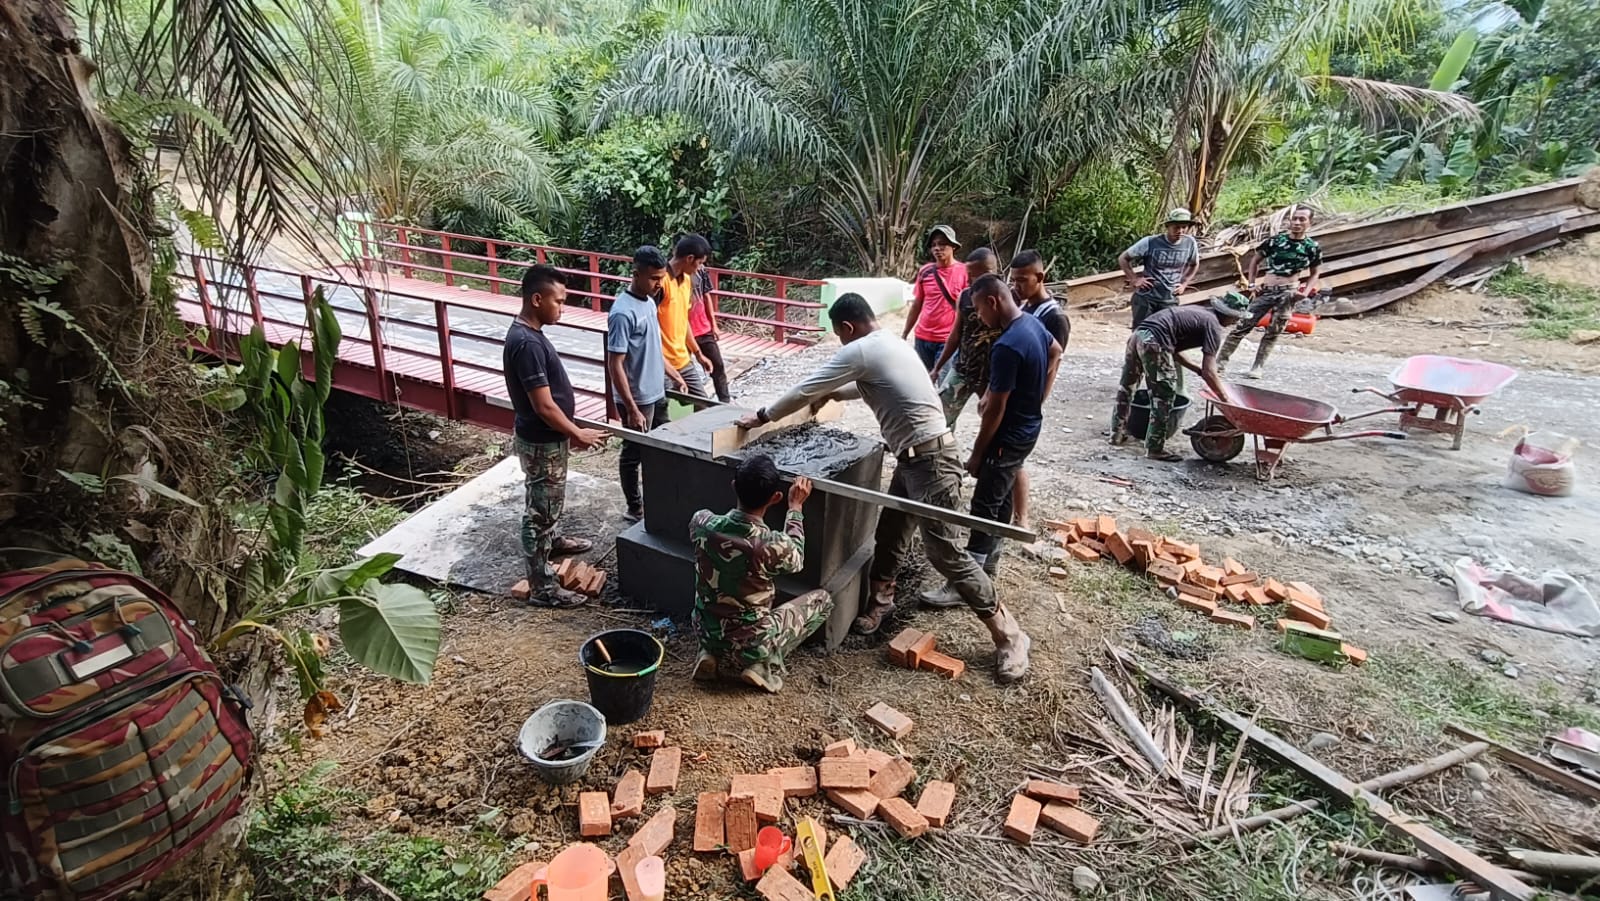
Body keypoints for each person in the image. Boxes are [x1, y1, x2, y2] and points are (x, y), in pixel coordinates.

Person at [736, 293, 1032, 683]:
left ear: (846, 328)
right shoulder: (892, 343)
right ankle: (881, 602)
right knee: (891, 532)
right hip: (913, 457)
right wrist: (836, 394)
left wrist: (761, 416)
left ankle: (1009, 635)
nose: (844, 344)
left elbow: (806, 388)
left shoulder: (862, 349)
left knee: (944, 553)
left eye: (841, 336)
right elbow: (872, 386)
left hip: (933, 461)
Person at [921, 275, 1059, 608]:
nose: (979, 318)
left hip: (1006, 436)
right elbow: (1056, 351)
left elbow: (994, 409)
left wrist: (977, 454)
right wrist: (1035, 399)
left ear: (992, 302)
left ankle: (965, 586)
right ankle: (989, 566)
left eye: (979, 310)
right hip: (1028, 428)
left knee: (983, 506)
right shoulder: (1032, 324)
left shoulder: (1007, 345)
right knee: (1000, 497)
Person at [503, 265, 608, 607]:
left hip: (546, 439)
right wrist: (577, 432)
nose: (561, 308)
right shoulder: (526, 344)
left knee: (546, 500)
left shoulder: (531, 335)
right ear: (536, 299)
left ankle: (553, 539)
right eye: (558, 301)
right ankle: (543, 588)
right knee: (539, 511)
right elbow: (544, 406)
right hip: (541, 441)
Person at [689, 456, 832, 693]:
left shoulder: (701, 523)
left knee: (714, 610)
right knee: (823, 600)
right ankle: (760, 664)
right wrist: (795, 509)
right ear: (776, 498)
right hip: (752, 639)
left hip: (706, 628)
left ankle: (709, 652)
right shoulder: (771, 546)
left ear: (734, 486)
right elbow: (796, 559)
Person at [1111, 296, 1248, 462]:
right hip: (1154, 342)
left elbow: (1174, 351)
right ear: (1228, 314)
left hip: (1138, 335)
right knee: (1164, 395)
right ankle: (1154, 448)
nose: (1236, 322)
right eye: (1237, 318)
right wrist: (1226, 399)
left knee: (1127, 387)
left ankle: (1116, 434)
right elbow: (1210, 371)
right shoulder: (1213, 326)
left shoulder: (1199, 313)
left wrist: (1196, 369)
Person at [1003, 249, 1069, 533]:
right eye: (1013, 281)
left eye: (1021, 281)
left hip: (1026, 402)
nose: (1016, 287)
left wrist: (1037, 402)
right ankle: (1006, 512)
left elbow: (1054, 363)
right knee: (1007, 458)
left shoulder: (1055, 318)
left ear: (1040, 278)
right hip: (1013, 394)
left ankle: (1021, 518)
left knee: (1016, 461)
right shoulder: (1026, 307)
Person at [608, 246, 672, 522]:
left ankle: (659, 497)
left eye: (662, 278)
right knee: (634, 453)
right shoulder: (622, 313)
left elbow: (651, 347)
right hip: (638, 398)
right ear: (637, 274)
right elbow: (615, 363)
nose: (660, 284)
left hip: (656, 392)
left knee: (662, 446)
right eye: (655, 278)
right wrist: (632, 408)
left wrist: (672, 373)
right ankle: (634, 507)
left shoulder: (648, 301)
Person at [1220, 207, 1322, 378]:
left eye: (1302, 219)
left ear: (1309, 223)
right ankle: (1219, 364)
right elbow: (1255, 261)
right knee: (1241, 326)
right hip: (1266, 291)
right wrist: (1252, 284)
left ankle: (1257, 367)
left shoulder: (1311, 247)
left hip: (1288, 293)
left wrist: (1305, 291)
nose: (1297, 223)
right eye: (1294, 219)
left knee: (1273, 331)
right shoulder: (1275, 241)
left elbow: (1315, 273)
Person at [929, 247, 1002, 428]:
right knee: (939, 420)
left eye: (974, 276)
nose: (968, 280)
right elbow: (955, 336)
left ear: (990, 273)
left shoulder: (1008, 299)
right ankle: (943, 454)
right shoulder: (965, 296)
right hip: (963, 369)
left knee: (996, 422)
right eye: (967, 274)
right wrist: (937, 368)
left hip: (992, 375)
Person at [901, 225, 970, 373]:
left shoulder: (964, 272)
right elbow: (917, 304)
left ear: (953, 247)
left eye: (942, 244)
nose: (937, 248)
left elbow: (969, 307)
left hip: (947, 340)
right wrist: (905, 333)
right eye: (934, 245)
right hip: (922, 338)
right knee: (922, 383)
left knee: (942, 387)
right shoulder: (925, 271)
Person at [1119, 208, 1201, 328]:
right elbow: (1123, 258)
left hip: (1169, 297)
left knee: (1165, 332)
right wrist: (1135, 279)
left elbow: (1194, 264)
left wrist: (1184, 283)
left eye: (1184, 227)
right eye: (1176, 227)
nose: (1180, 231)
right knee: (1142, 333)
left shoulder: (1190, 243)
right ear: (1168, 226)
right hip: (1147, 296)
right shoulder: (1150, 242)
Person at [659, 234, 717, 398]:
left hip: (683, 359)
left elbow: (683, 321)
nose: (700, 268)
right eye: (699, 263)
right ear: (689, 258)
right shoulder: (660, 282)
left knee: (703, 405)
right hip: (662, 362)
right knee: (666, 410)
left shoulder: (686, 280)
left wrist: (698, 354)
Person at [688, 263, 731, 402]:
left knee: (717, 366)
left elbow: (706, 296)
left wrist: (714, 324)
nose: (700, 264)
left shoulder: (701, 271)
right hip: (682, 332)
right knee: (687, 373)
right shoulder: (673, 277)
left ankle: (725, 402)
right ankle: (697, 406)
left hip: (703, 328)